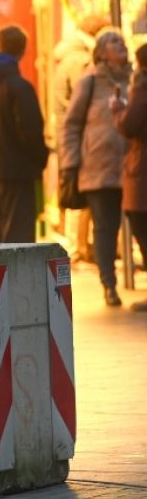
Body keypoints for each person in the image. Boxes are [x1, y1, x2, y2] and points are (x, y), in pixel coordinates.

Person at [62, 30, 131, 306]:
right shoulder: (89, 82)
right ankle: (109, 283)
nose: (121, 44)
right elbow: (71, 125)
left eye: (122, 40)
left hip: (133, 168)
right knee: (105, 227)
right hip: (98, 167)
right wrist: (70, 164)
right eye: (114, 41)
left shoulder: (136, 80)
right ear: (100, 52)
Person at [0, 25, 50, 245]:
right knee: (18, 234)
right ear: (23, 51)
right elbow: (31, 131)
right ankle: (13, 269)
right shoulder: (20, 87)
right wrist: (41, 158)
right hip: (18, 170)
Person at [54, 15, 109, 261]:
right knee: (79, 192)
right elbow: (83, 100)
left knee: (79, 190)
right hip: (79, 137)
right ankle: (77, 247)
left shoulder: (70, 55)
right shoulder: (79, 59)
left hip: (72, 134)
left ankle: (79, 246)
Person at [112, 42, 147, 312]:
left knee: (141, 224)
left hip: (142, 168)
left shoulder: (142, 88)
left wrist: (117, 109)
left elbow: (129, 124)